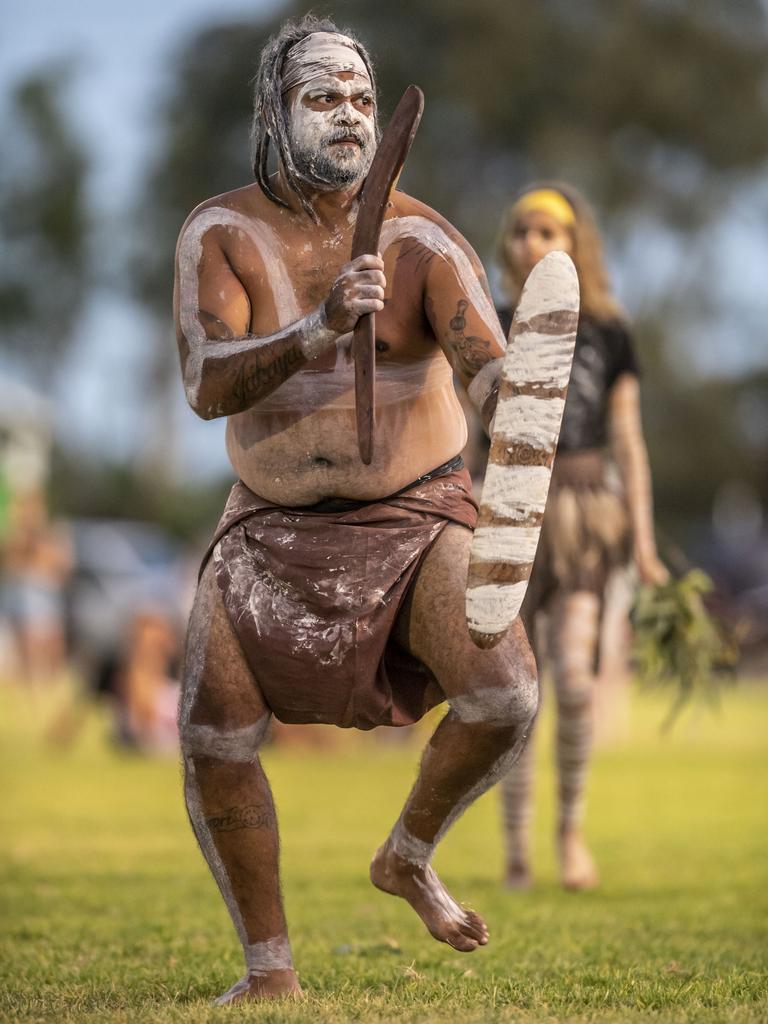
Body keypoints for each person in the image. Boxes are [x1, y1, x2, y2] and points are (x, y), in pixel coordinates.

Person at [174, 15, 549, 1004]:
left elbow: (487, 371)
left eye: (361, 99)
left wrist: (519, 406)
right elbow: (205, 383)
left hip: (417, 519)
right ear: (272, 110)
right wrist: (319, 325)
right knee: (213, 730)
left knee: (506, 693)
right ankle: (269, 972)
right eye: (322, 97)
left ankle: (408, 852)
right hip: (269, 525)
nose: (349, 115)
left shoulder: (423, 240)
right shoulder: (221, 235)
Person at [495, 183, 668, 892]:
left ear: (575, 246)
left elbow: (629, 442)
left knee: (571, 679)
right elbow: (475, 438)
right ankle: (515, 852)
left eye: (547, 232)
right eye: (520, 232)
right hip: (510, 514)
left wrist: (646, 545)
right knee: (513, 696)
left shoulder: (608, 331)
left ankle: (569, 833)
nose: (531, 244)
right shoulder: (492, 323)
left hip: (586, 519)